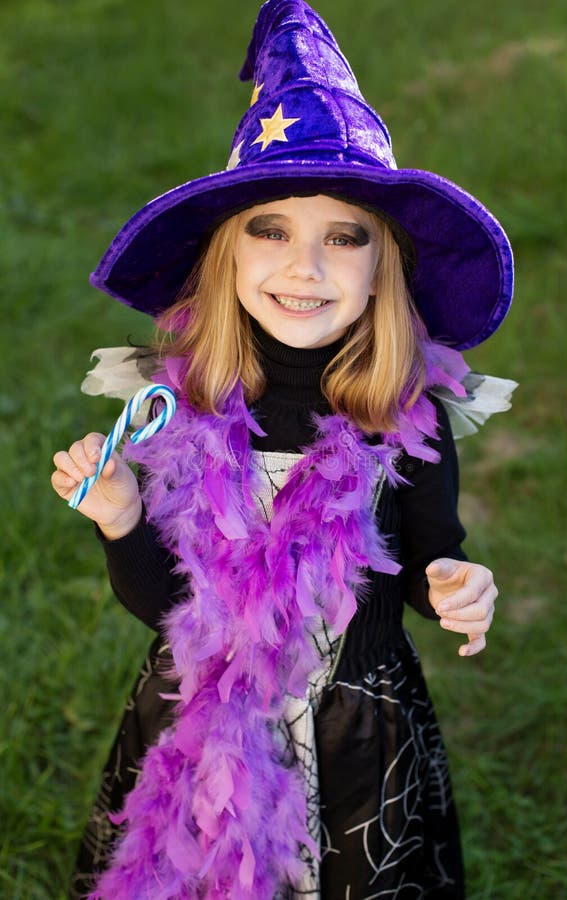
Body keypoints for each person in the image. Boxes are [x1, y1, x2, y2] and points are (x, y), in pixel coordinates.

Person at [51, 1, 515, 897]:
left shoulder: (402, 416)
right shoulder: (184, 410)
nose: (304, 269)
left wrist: (454, 583)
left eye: (344, 238)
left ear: (387, 267)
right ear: (225, 253)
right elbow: (170, 606)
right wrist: (120, 518)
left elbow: (430, 556)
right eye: (270, 230)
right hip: (198, 722)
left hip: (356, 734)